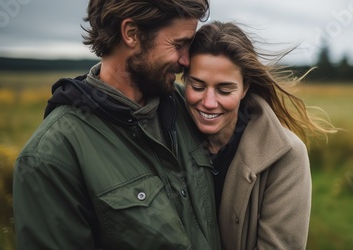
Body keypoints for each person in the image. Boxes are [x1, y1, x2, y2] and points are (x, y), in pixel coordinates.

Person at [12, 0, 222, 249]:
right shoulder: (51, 156)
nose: (186, 61)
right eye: (179, 45)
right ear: (132, 34)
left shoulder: (190, 105)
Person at [183, 21, 336, 250]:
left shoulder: (287, 155)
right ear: (183, 80)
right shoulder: (168, 133)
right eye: (197, 86)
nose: (209, 102)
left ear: (245, 88)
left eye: (225, 90)